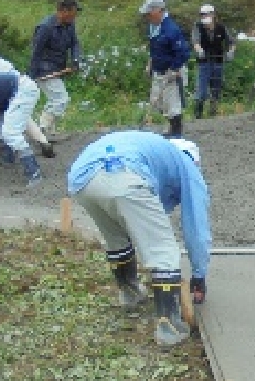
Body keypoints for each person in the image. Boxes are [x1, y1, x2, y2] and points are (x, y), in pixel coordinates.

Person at [66, 131, 211, 347]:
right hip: (123, 173)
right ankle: (169, 328)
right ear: (194, 160)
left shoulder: (152, 148)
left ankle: (130, 293)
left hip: (82, 178)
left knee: (116, 237)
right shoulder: (186, 164)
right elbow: (196, 226)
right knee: (162, 249)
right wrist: (199, 273)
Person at [30, 0, 82, 137]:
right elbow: (36, 51)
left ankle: (48, 132)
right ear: (64, 11)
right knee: (60, 99)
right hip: (44, 70)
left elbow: (75, 43)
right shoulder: (45, 27)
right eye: (74, 12)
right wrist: (32, 76)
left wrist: (76, 59)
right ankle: (43, 129)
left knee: (56, 100)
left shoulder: (69, 25)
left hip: (58, 68)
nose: (75, 15)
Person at [139, 0, 191, 138]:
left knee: (173, 104)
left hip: (172, 71)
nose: (147, 16)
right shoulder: (154, 27)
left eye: (149, 13)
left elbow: (184, 52)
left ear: (158, 10)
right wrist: (150, 63)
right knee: (157, 101)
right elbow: (154, 48)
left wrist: (174, 69)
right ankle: (171, 127)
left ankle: (176, 133)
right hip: (158, 69)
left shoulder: (171, 29)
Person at [191, 4, 233, 118]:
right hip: (204, 61)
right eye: (202, 14)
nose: (205, 16)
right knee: (202, 89)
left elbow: (231, 42)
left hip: (218, 60)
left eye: (207, 14)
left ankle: (213, 112)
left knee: (216, 88)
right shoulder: (198, 26)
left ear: (213, 15)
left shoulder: (221, 27)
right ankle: (198, 113)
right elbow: (195, 41)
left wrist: (230, 51)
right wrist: (199, 50)